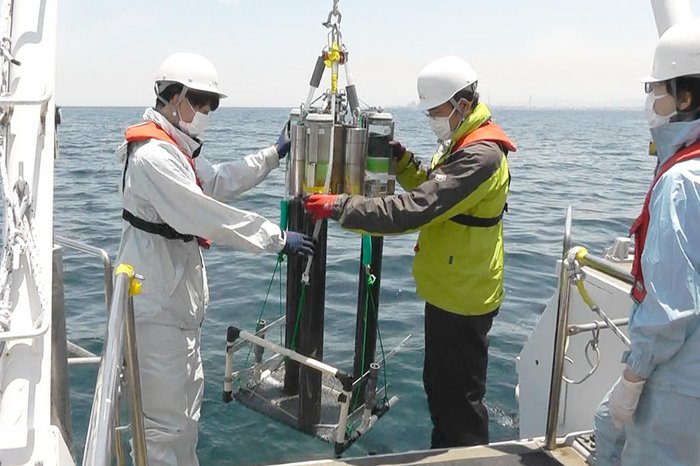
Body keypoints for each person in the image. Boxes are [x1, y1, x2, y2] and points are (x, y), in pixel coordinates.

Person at [303, 56, 516, 448]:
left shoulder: (481, 156)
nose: (432, 120)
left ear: (462, 105)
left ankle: (466, 459)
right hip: (450, 290)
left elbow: (415, 208)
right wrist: (400, 161)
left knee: (459, 405)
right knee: (441, 390)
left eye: (435, 112)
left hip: (464, 299)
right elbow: (434, 187)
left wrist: (339, 207)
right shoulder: (462, 142)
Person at [114, 52, 314, 465]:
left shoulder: (174, 149)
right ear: (174, 96)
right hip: (156, 311)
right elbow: (205, 215)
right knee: (163, 430)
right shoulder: (153, 156)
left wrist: (274, 154)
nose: (206, 111)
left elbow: (218, 179)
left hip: (174, 308)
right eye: (201, 100)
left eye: (212, 104)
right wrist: (276, 237)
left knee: (183, 422)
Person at [593, 18, 700, 466]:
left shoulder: (679, 181)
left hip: (676, 381)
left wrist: (633, 380)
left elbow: (671, 307)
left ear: (685, 97)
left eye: (655, 88)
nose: (650, 100)